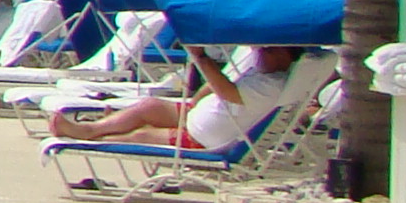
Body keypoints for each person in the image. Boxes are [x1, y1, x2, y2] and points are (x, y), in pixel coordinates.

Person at [47, 45, 313, 151]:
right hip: (198, 114)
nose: (260, 53)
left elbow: (229, 92)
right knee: (149, 106)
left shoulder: (271, 85)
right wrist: (198, 99)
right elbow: (223, 86)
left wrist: (201, 57)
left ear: (285, 56)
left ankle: (89, 140)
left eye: (268, 50)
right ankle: (92, 129)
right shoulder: (264, 72)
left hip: (204, 136)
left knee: (142, 135)